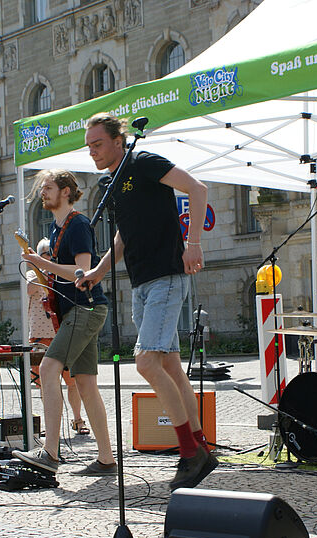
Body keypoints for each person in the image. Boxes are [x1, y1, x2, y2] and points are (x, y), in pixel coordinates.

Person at [78, 112, 217, 490]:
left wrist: (193, 244)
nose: (92, 152)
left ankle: (189, 452)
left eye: (98, 144)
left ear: (118, 140)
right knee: (170, 366)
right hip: (141, 284)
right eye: (89, 147)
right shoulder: (111, 182)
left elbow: (197, 189)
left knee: (146, 361)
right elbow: (123, 235)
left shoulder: (144, 162)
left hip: (166, 278)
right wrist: (99, 271)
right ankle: (202, 447)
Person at [14, 169, 116, 476]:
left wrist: (40, 262)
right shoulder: (56, 229)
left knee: (48, 368)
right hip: (79, 310)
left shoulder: (78, 224)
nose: (42, 192)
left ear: (66, 192)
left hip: (86, 308)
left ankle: (50, 453)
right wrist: (40, 269)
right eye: (43, 188)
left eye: (48, 187)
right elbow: (58, 277)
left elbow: (82, 272)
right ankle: (106, 459)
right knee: (85, 384)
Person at [26, 237, 89, 436]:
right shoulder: (32, 273)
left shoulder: (60, 273)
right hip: (40, 335)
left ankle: (77, 419)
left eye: (51, 255)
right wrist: (43, 269)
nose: (49, 258)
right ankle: (51, 423)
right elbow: (29, 289)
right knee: (45, 384)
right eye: (45, 254)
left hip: (61, 332)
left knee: (72, 382)